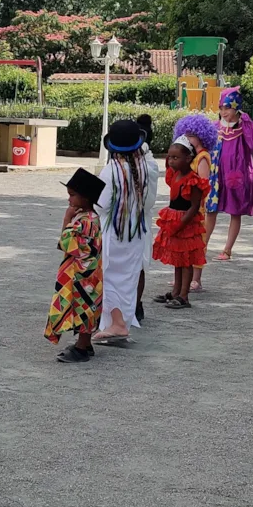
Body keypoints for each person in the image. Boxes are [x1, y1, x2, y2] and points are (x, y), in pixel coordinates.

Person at [93, 119, 159, 345]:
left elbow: (100, 205)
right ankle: (121, 321)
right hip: (136, 231)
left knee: (108, 276)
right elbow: (149, 204)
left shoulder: (110, 171)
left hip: (114, 231)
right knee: (128, 278)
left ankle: (117, 323)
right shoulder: (148, 168)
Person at [45, 168, 105, 363]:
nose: (69, 200)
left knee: (82, 308)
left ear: (85, 198)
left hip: (81, 275)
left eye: (72, 196)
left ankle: (82, 347)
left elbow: (65, 243)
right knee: (85, 307)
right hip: (87, 274)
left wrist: (66, 219)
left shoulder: (84, 222)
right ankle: (84, 344)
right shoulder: (91, 218)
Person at [205, 87, 253, 262]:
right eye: (221, 108)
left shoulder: (245, 127)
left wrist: (245, 121)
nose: (224, 112)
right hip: (216, 175)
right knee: (211, 210)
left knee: (235, 211)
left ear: (237, 108)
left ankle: (227, 249)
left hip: (237, 174)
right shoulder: (215, 127)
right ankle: (202, 245)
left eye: (228, 108)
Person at [152, 137, 209, 310]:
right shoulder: (175, 175)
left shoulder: (193, 181)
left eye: (175, 158)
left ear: (188, 159)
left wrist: (180, 224)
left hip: (186, 224)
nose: (171, 161)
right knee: (178, 259)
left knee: (187, 261)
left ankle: (184, 295)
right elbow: (168, 171)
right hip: (174, 219)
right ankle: (176, 291)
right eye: (169, 157)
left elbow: (194, 207)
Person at [172, 113, 218, 292]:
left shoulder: (202, 156)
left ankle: (196, 279)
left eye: (192, 135)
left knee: (197, 242)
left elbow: (204, 182)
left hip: (196, 206)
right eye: (186, 135)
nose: (188, 138)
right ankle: (183, 277)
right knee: (184, 242)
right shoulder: (191, 156)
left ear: (201, 136)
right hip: (185, 204)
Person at [135, 114, 161, 322]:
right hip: (134, 220)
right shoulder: (149, 163)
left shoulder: (147, 164)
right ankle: (132, 304)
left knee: (138, 263)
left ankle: (134, 304)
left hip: (137, 220)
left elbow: (147, 200)